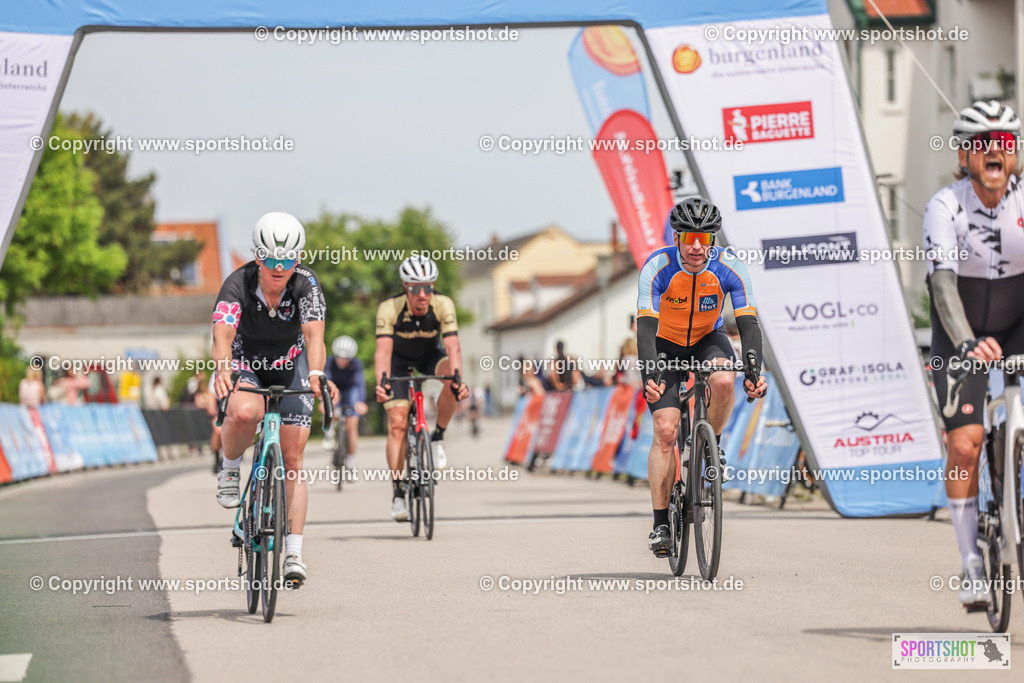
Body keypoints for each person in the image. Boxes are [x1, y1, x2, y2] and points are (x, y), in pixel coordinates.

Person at [923, 100, 1024, 609]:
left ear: (1015, 155)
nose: (993, 151)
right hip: (960, 330)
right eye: (982, 143)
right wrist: (965, 343)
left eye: (1004, 143)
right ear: (964, 154)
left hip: (1017, 324)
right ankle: (969, 561)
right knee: (965, 444)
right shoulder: (947, 205)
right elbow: (942, 286)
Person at [212, 212, 339, 587]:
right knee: (244, 412)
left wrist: (316, 375)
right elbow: (222, 332)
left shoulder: (307, 284)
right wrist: (222, 369)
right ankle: (231, 467)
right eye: (270, 260)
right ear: (257, 256)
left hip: (291, 365)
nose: (278, 268)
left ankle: (294, 552)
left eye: (287, 261)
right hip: (246, 362)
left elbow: (315, 336)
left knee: (293, 459)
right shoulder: (238, 282)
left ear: (298, 259)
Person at [637, 197, 766, 557]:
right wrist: (651, 372)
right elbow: (646, 328)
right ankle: (661, 522)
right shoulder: (657, 267)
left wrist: (754, 371)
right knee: (665, 430)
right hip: (665, 344)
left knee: (724, 379)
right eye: (690, 238)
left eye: (705, 238)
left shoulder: (730, 267)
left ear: (713, 239)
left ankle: (713, 449)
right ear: (677, 238)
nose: (697, 246)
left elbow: (748, 323)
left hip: (709, 338)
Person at [374, 254, 469, 521]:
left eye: (428, 287)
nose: (423, 294)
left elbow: (453, 347)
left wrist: (459, 378)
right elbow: (382, 352)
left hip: (430, 356)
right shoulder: (389, 308)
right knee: (397, 423)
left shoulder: (443, 304)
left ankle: (437, 436)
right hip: (398, 361)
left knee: (452, 381)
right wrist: (382, 383)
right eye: (416, 288)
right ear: (406, 287)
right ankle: (398, 493)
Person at [321, 335, 368, 473]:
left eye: (346, 359)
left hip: (351, 390)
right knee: (327, 407)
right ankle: (329, 433)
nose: (342, 361)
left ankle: (351, 461)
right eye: (339, 358)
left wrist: (361, 402)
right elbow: (326, 382)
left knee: (352, 424)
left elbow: (360, 384)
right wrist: (325, 401)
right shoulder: (329, 362)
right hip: (335, 388)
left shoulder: (357, 364)